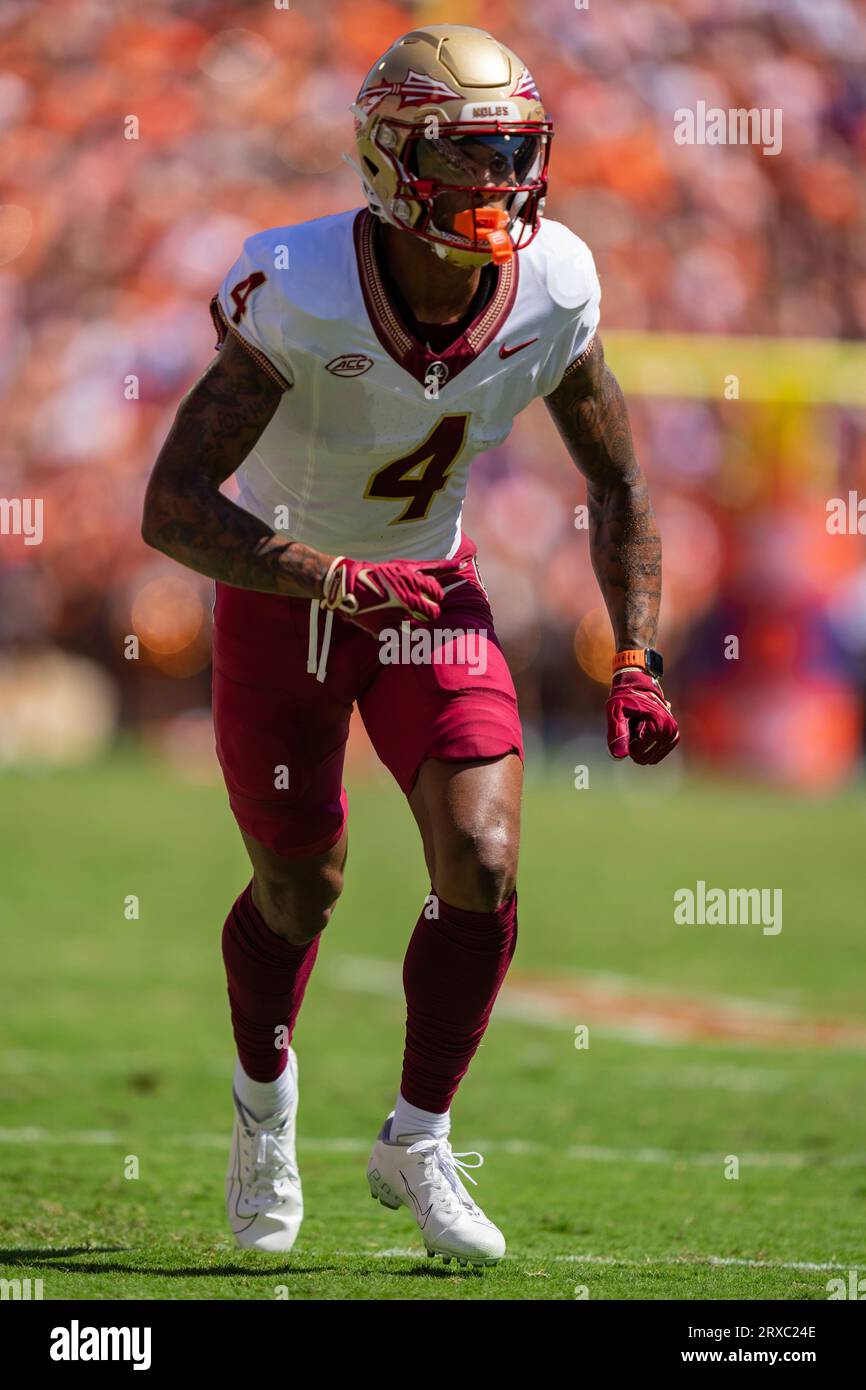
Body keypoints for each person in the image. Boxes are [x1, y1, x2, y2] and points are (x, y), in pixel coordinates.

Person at [141, 23, 679, 1267]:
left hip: (428, 597)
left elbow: (621, 479)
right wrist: (325, 573)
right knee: (300, 887)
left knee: (482, 859)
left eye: (514, 153)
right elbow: (172, 505)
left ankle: (416, 1136)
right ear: (391, 161)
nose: (500, 183)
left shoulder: (553, 284)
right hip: (288, 599)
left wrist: (636, 650)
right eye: (470, 154)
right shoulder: (302, 284)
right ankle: (263, 1103)